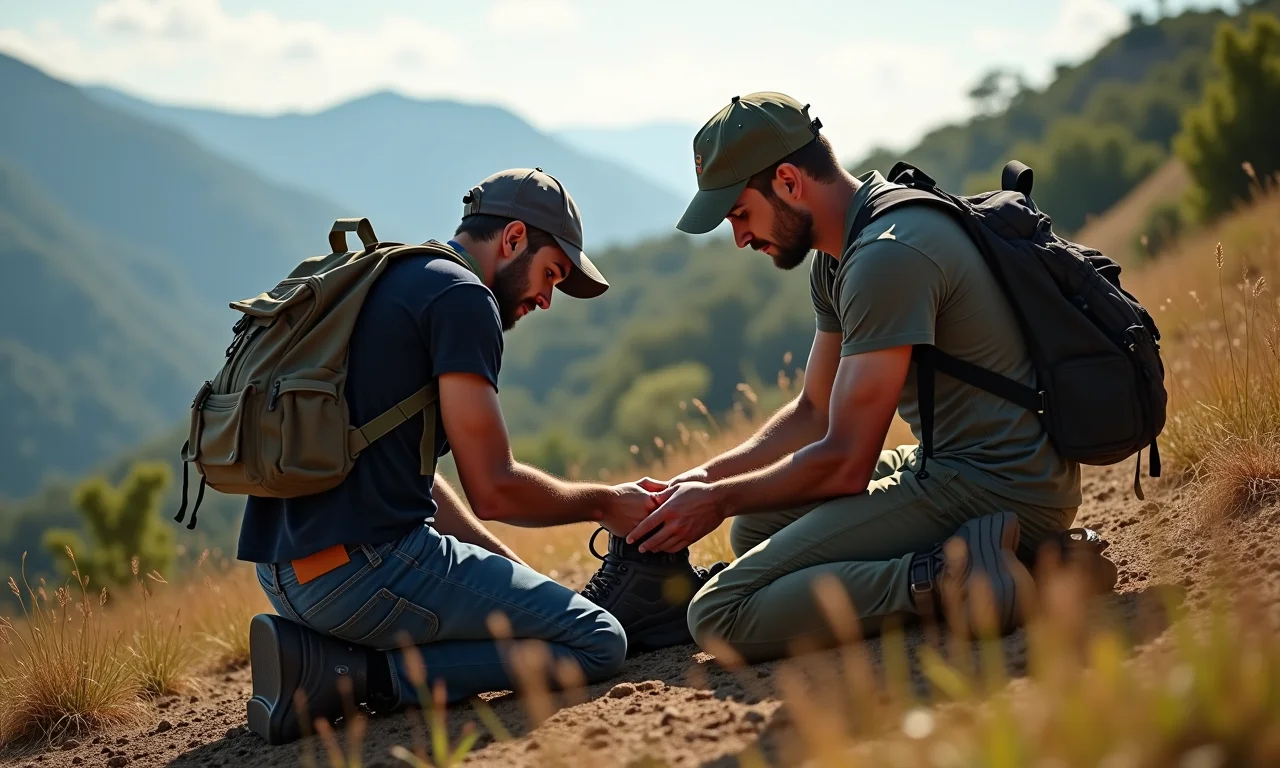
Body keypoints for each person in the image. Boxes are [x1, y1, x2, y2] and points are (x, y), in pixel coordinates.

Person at [625, 92, 1082, 664]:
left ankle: (952, 574)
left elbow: (845, 463)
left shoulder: (886, 258)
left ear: (789, 182)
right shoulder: (844, 251)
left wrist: (713, 501)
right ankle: (1034, 561)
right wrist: (700, 479)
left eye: (740, 213)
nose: (739, 238)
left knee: (718, 613)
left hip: (999, 483)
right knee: (754, 528)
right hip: (953, 463)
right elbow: (814, 411)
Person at [241, 168, 656, 745]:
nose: (546, 298)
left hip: (284, 574)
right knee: (596, 640)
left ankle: (318, 649)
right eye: (550, 274)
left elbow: (414, 475)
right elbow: (493, 488)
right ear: (513, 240)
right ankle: (351, 676)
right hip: (365, 573)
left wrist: (523, 582)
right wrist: (606, 503)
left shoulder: (395, 274)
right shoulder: (464, 299)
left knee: (537, 619)